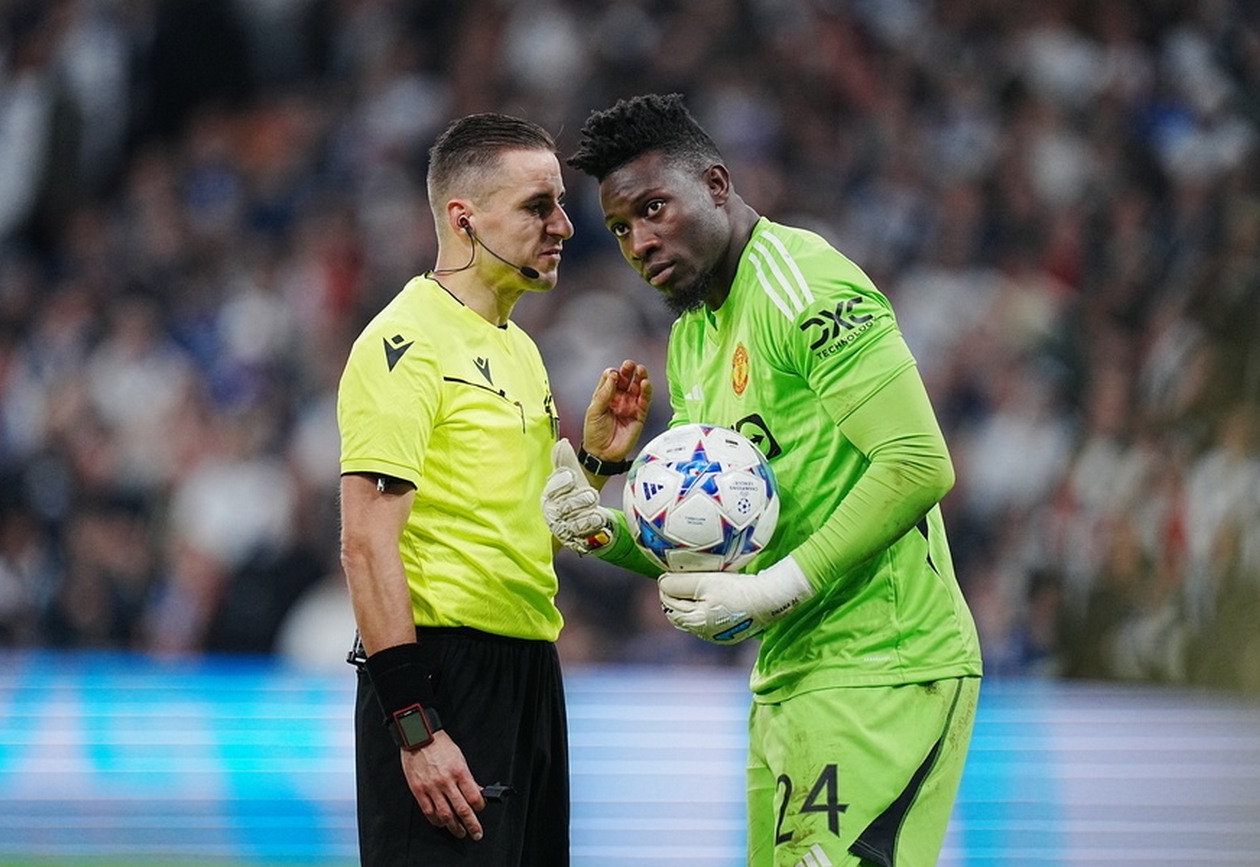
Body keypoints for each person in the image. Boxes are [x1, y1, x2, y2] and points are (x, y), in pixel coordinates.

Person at [543, 94, 982, 867]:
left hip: (887, 664)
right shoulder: (694, 338)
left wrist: (776, 585)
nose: (640, 242)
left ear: (716, 184)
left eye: (654, 208)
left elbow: (919, 463)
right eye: (620, 229)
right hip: (790, 679)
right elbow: (717, 556)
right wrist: (600, 522)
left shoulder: (803, 282)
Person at [337, 112, 650, 866]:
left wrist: (598, 464)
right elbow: (365, 541)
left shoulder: (522, 351)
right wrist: (415, 726)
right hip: (441, 675)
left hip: (531, 672)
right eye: (538, 206)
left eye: (561, 205)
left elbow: (527, 536)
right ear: (463, 217)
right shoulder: (401, 343)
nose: (564, 226)